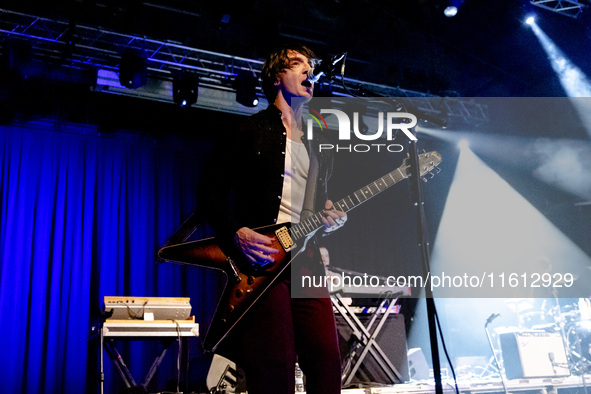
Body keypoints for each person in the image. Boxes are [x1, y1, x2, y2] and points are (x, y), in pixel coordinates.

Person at [201, 44, 346, 394]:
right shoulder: (249, 130)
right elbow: (208, 192)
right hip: (264, 260)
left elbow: (314, 203)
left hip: (307, 260)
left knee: (327, 358)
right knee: (274, 365)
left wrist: (331, 216)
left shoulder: (318, 140)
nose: (308, 71)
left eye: (310, 66)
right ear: (277, 77)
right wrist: (236, 232)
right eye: (298, 65)